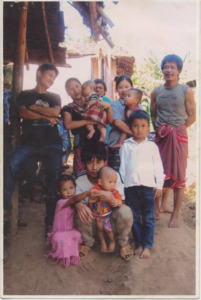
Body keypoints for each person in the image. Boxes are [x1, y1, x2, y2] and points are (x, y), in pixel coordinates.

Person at [4, 63, 63, 233]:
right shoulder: (25, 94)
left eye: (54, 77)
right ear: (39, 73)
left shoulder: (55, 96)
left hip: (52, 144)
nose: (52, 80)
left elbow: (55, 113)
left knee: (54, 182)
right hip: (30, 143)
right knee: (11, 164)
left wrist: (34, 108)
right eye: (50, 75)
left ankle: (51, 222)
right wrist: (46, 113)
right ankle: (6, 207)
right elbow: (23, 113)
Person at [64, 142, 133, 260]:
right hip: (93, 223)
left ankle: (123, 243)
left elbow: (122, 201)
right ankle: (88, 242)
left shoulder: (114, 177)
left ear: (104, 162)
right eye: (90, 162)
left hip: (111, 222)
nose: (95, 167)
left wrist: (111, 199)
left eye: (99, 162)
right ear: (84, 163)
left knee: (125, 211)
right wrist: (78, 204)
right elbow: (69, 199)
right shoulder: (79, 179)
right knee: (81, 211)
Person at [150, 54, 196, 228]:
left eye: (172, 67)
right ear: (162, 70)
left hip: (179, 137)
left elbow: (192, 117)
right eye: (166, 67)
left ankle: (175, 215)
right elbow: (153, 115)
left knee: (179, 175)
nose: (169, 70)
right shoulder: (156, 91)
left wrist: (177, 130)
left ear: (179, 71)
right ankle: (155, 209)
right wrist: (162, 131)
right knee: (158, 173)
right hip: (161, 137)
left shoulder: (186, 90)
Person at [119, 110, 165, 259]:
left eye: (143, 126)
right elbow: (123, 169)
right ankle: (139, 243)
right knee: (134, 217)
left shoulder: (152, 147)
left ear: (147, 128)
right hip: (131, 188)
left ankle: (147, 246)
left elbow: (158, 166)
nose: (139, 129)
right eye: (136, 126)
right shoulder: (126, 146)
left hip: (147, 187)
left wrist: (159, 185)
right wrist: (123, 188)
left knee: (149, 217)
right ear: (130, 128)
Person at [62, 78, 112, 178]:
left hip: (99, 143)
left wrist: (109, 107)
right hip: (81, 145)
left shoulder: (97, 101)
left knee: (101, 175)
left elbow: (110, 121)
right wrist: (88, 121)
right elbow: (68, 125)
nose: (75, 90)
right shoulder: (68, 108)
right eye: (71, 89)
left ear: (82, 87)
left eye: (77, 86)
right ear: (68, 93)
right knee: (81, 175)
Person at [46, 174, 82, 268]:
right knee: (58, 238)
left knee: (77, 234)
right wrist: (88, 193)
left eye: (71, 188)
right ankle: (63, 253)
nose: (69, 191)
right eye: (65, 189)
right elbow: (74, 199)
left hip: (69, 232)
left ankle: (68, 251)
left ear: (75, 188)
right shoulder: (61, 202)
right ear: (59, 192)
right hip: (59, 234)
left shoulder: (74, 202)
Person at [88, 166, 123, 253]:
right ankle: (103, 242)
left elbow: (120, 201)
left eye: (114, 182)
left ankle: (112, 241)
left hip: (107, 215)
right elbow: (91, 195)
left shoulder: (114, 192)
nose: (113, 185)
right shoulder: (96, 189)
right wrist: (100, 194)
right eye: (110, 182)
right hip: (97, 215)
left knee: (107, 229)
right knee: (99, 229)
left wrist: (117, 202)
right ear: (100, 181)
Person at [108, 75, 134, 171]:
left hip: (133, 144)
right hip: (116, 144)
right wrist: (135, 133)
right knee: (116, 173)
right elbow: (117, 123)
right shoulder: (114, 104)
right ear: (116, 90)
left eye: (127, 87)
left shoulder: (138, 104)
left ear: (132, 87)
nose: (124, 90)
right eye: (120, 87)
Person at [94, 79, 112, 145]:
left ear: (104, 91)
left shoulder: (107, 100)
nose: (98, 89)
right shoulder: (89, 99)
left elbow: (110, 120)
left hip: (105, 129)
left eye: (100, 88)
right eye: (96, 88)